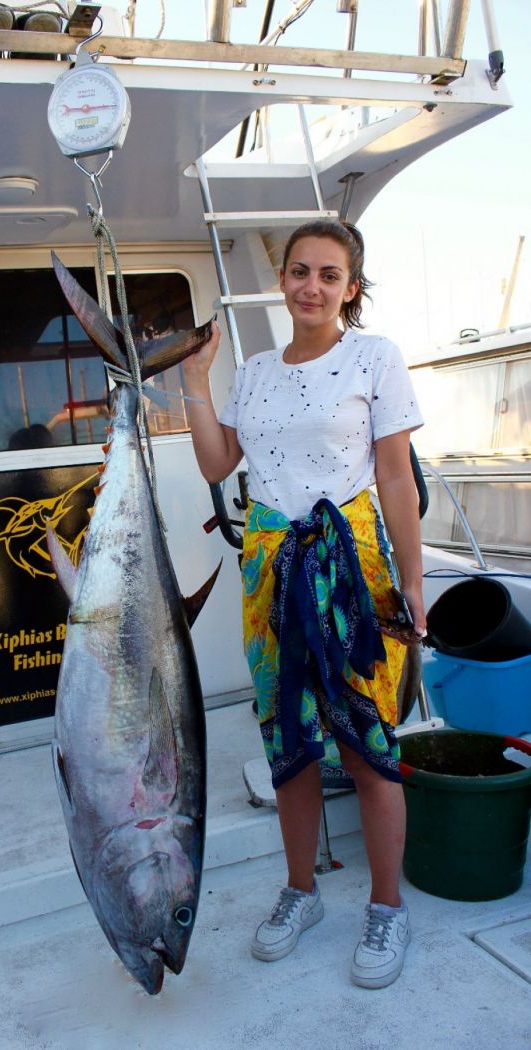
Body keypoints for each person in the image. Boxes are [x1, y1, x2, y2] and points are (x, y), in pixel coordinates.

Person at [183, 220, 426, 989]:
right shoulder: (253, 371)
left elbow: (394, 477)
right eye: (298, 272)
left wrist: (412, 582)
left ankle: (387, 906)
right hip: (268, 569)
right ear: (282, 281)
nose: (311, 286)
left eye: (328, 274)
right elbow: (220, 462)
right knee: (287, 743)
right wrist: (194, 380)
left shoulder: (374, 357)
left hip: (349, 568)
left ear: (351, 287)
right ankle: (301, 892)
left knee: (367, 745)